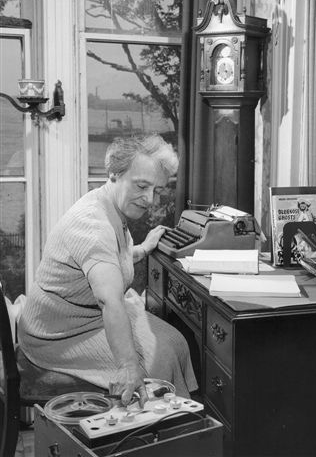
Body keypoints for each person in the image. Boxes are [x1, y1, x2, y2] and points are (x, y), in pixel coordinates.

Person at [18, 134, 198, 407]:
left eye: (157, 189)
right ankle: (152, 439)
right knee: (154, 363)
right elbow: (109, 299)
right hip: (58, 334)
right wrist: (128, 366)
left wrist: (143, 249)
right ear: (114, 173)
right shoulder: (93, 225)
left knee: (175, 341)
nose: (149, 199)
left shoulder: (108, 204)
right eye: (141, 186)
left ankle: (178, 422)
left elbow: (113, 262)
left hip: (83, 316)